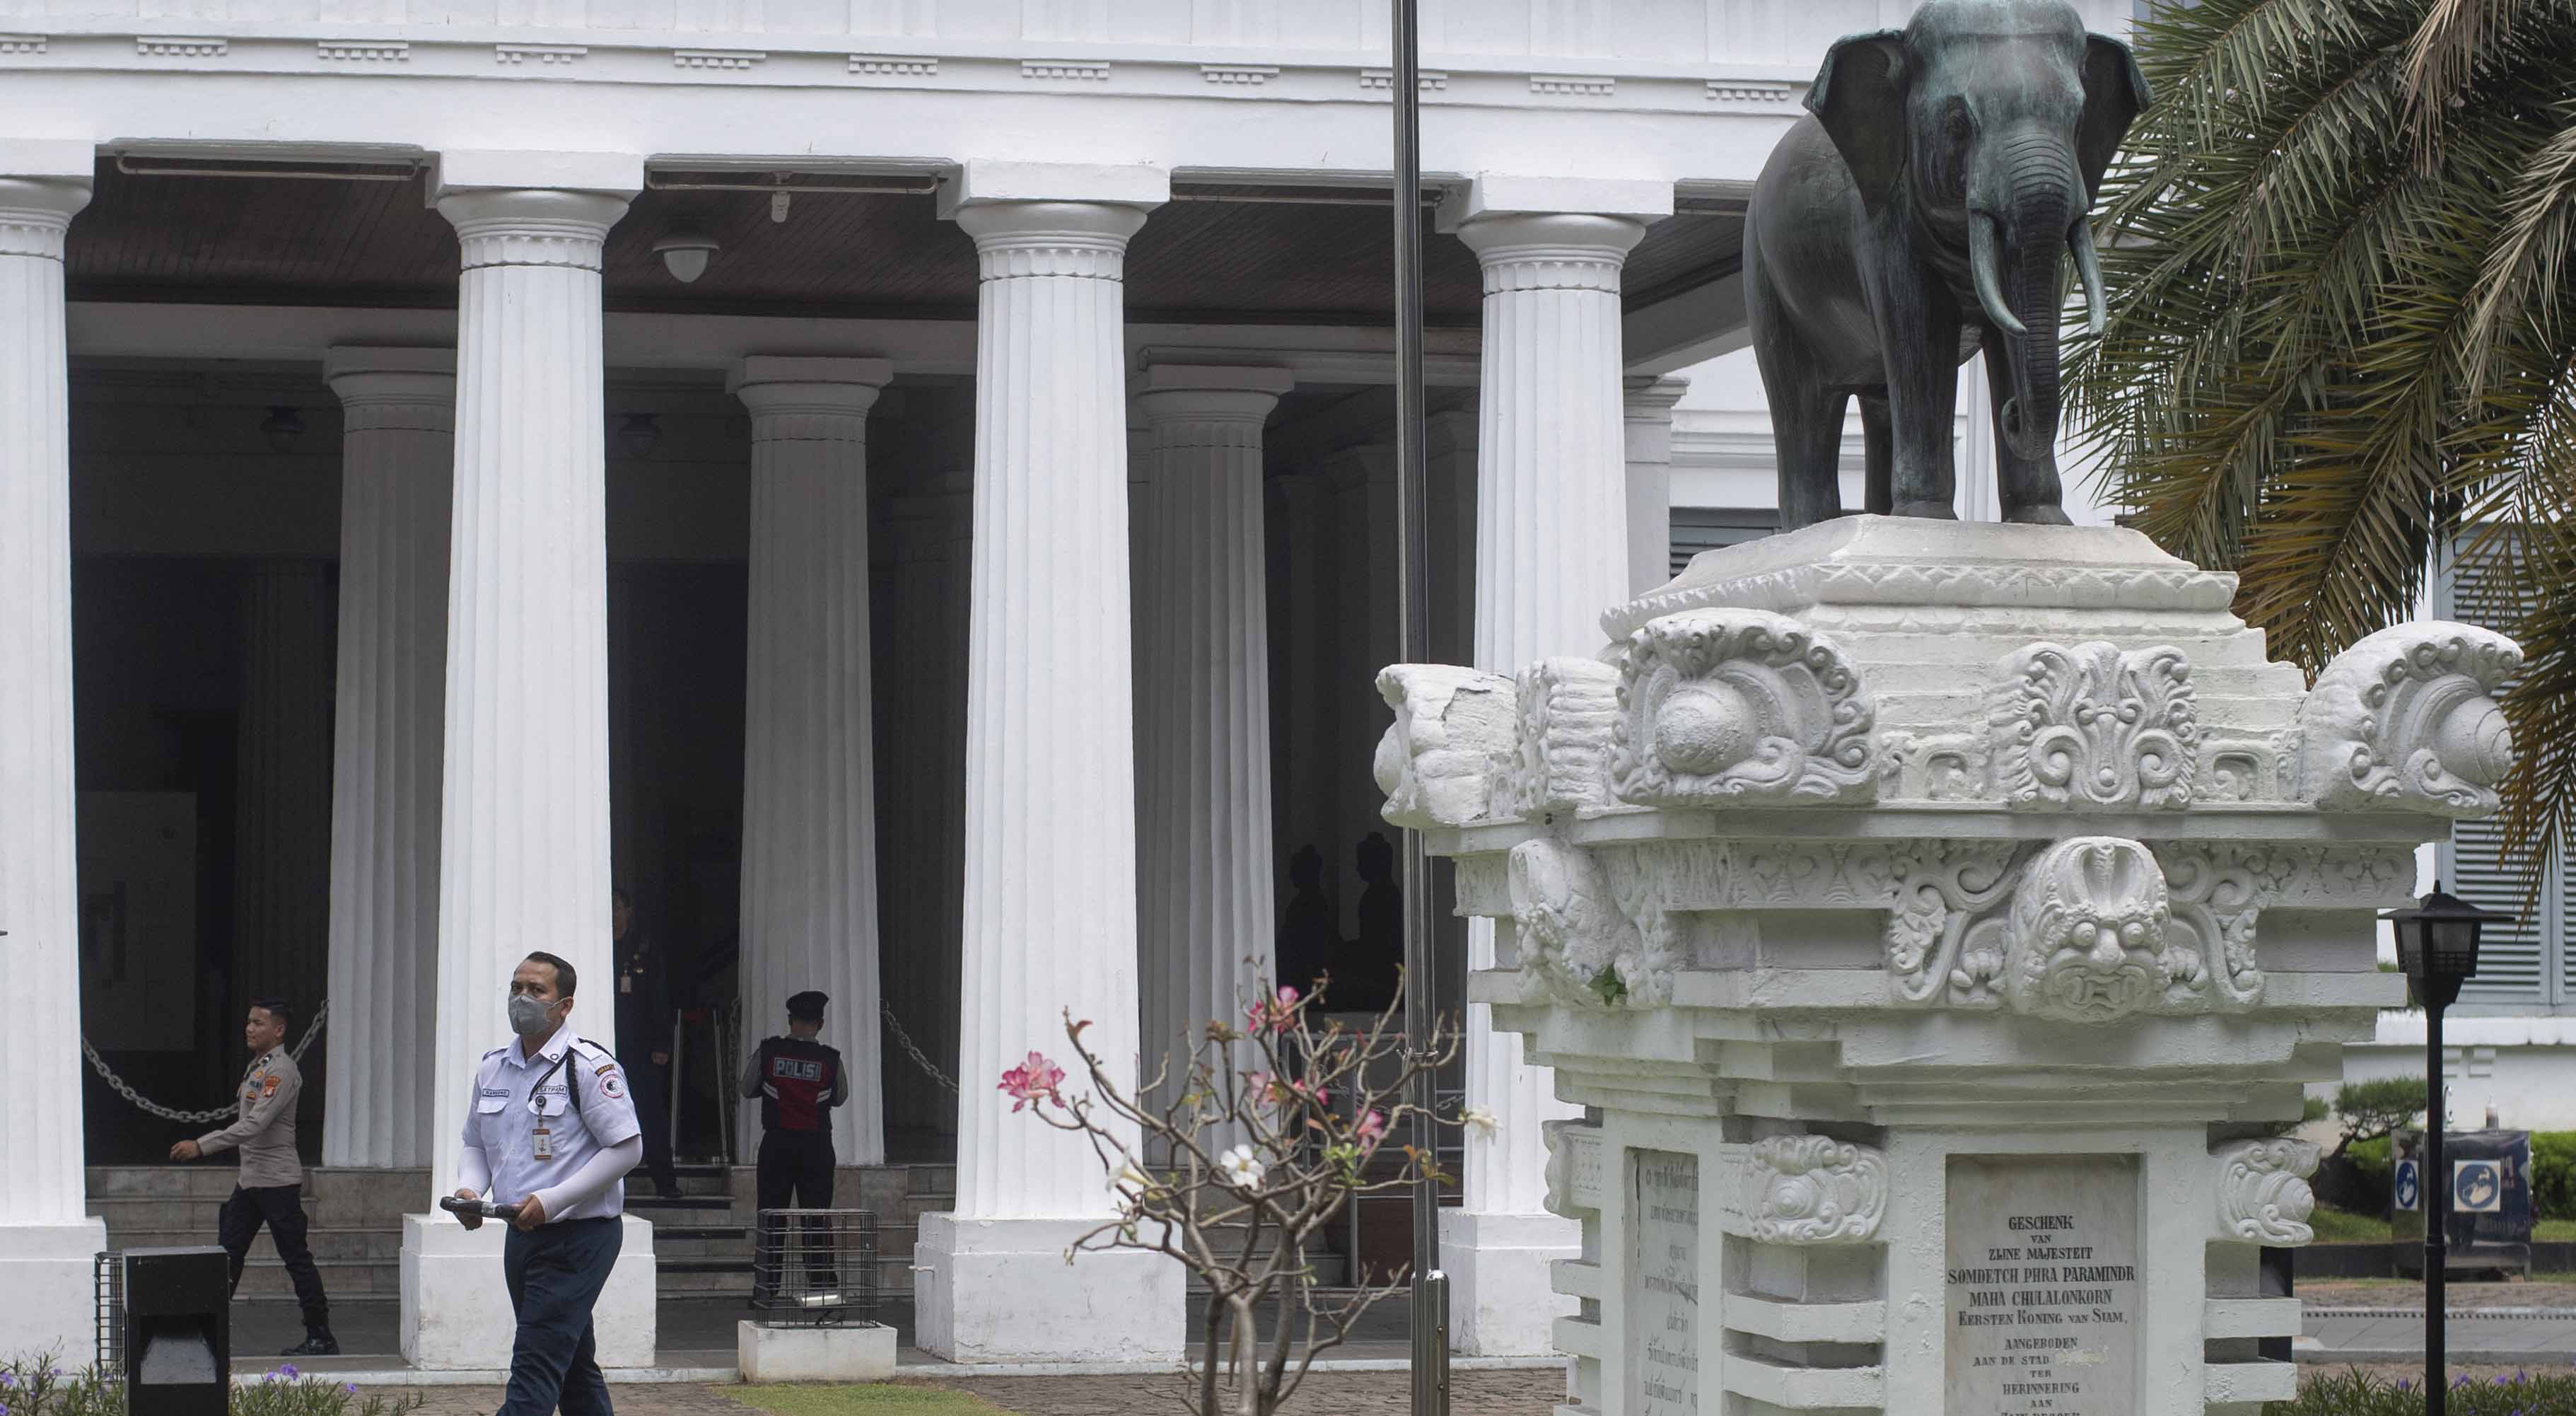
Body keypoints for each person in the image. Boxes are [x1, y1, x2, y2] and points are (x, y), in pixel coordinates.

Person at [450, 951, 642, 1416]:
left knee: (534, 1365)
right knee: (571, 1365)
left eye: (537, 990)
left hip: (579, 1237)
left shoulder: (588, 1067)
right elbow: (476, 1143)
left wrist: (551, 1201)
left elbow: (627, 1149)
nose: (523, 999)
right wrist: (470, 1191)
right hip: (521, 1234)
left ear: (564, 1006)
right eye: (516, 988)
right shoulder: (493, 1067)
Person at [170, 997, 337, 1357]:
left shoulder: (282, 1071)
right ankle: (208, 1335)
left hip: (277, 1182)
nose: (249, 1028)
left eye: (258, 1023)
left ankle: (321, 1335)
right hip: (250, 1181)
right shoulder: (259, 1067)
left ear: (279, 1030)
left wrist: (202, 1145)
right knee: (227, 1255)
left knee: (296, 1259)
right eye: (249, 1022)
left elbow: (255, 1124)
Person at [740, 990, 846, 1301]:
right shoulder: (831, 1058)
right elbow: (839, 1097)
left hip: (777, 1144)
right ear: (821, 1023)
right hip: (817, 1146)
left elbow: (747, 1089)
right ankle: (822, 1290)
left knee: (771, 1217)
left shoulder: (769, 1051)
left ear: (790, 1020)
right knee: (817, 1218)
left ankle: (766, 1291)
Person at [610, 888, 682, 1200]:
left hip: (640, 1045)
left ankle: (665, 1182)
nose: (613, 914)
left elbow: (658, 997)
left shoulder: (644, 948)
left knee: (650, 1112)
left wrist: (662, 1043)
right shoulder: (595, 944)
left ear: (629, 911)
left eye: (617, 907)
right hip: (605, 1044)